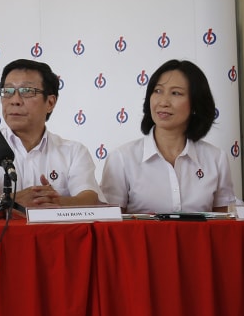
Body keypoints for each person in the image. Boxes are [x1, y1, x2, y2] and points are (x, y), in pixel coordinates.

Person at [0, 59, 103, 213]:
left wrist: (53, 202)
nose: (15, 101)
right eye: (8, 91)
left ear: (50, 103)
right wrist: (13, 201)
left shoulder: (74, 152)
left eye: (27, 91)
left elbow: (89, 199)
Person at [101, 59, 235, 213]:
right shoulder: (122, 158)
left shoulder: (216, 159)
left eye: (175, 93)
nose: (163, 102)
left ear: (196, 104)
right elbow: (111, 226)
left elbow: (224, 224)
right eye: (158, 91)